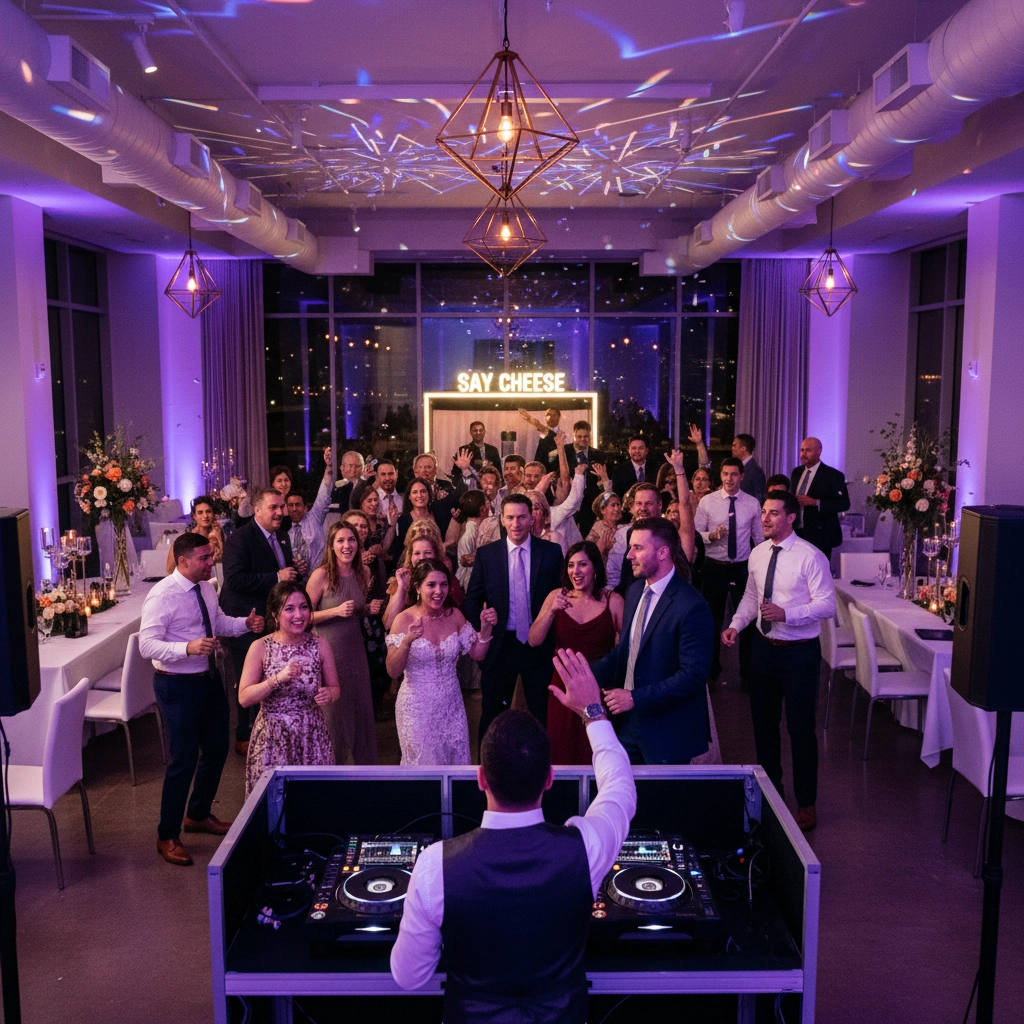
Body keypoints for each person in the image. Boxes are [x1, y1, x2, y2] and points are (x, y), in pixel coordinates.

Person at [391, 652, 636, 1024]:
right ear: (550, 779)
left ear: (480, 779)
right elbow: (620, 789)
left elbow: (409, 977)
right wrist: (593, 712)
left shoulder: (434, 866)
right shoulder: (585, 849)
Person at [140, 532, 263, 866]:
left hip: (208, 679)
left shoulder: (207, 587)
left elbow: (218, 622)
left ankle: (197, 813)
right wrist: (187, 648)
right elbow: (146, 646)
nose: (212, 562)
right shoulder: (162, 596)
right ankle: (167, 834)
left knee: (217, 749)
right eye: (205, 558)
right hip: (177, 685)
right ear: (183, 561)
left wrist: (245, 624)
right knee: (183, 759)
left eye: (211, 556)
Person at [723, 491, 836, 833]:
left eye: (773, 513)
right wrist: (735, 625)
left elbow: (827, 605)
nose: (766, 518)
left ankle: (806, 804)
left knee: (801, 731)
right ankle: (770, 796)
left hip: (799, 653)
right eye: (764, 513)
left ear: (790, 518)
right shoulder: (758, 553)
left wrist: (789, 614)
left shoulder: (810, 557)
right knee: (763, 727)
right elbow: (750, 596)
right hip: (763, 650)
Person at [591, 517, 714, 764]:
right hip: (627, 724)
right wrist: (585, 672)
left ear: (662, 552)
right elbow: (627, 650)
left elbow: (692, 676)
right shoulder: (635, 591)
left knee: (662, 802)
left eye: (638, 548)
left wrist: (635, 698)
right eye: (630, 547)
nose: (629, 556)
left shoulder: (691, 606)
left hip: (667, 731)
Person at [464, 494, 564, 737]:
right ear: (502, 519)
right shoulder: (487, 555)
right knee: (492, 716)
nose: (516, 523)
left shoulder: (551, 552)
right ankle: (487, 771)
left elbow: (562, 593)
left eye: (521, 517)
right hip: (501, 645)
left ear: (532, 518)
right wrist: (483, 618)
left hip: (538, 646)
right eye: (510, 517)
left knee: (544, 714)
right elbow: (471, 599)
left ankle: (546, 771)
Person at [385, 559, 497, 765]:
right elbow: (393, 671)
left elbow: (477, 653)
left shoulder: (454, 615)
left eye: (443, 584)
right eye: (431, 585)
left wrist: (486, 628)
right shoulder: (403, 620)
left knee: (454, 765)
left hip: (451, 705)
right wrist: (408, 641)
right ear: (417, 587)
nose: (439, 591)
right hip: (416, 708)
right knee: (424, 770)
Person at [238, 581, 339, 796]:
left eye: (303, 607)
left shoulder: (320, 645)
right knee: (275, 804)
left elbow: (335, 688)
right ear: (274, 615)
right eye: (289, 609)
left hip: (311, 733)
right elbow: (244, 698)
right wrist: (276, 679)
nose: (298, 615)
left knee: (312, 799)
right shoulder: (260, 647)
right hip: (273, 736)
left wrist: (329, 693)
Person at [529, 541, 624, 764]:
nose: (575, 571)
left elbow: (629, 647)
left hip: (599, 690)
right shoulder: (557, 596)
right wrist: (551, 612)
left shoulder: (613, 601)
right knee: (562, 752)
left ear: (595, 569)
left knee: (596, 754)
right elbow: (534, 640)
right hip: (563, 689)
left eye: (582, 564)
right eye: (571, 565)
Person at [220, 487, 297, 755]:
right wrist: (277, 576)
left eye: (282, 507)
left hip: (272, 621)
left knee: (269, 678)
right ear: (257, 510)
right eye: (274, 508)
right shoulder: (240, 539)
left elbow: (282, 574)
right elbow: (235, 580)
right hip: (246, 620)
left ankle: (268, 732)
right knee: (248, 681)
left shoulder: (282, 536)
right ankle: (244, 737)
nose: (280, 512)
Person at [306, 521, 377, 765]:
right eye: (341, 541)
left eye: (352, 540)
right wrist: (334, 611)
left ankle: (365, 775)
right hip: (329, 653)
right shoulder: (322, 575)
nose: (347, 545)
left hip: (355, 653)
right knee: (333, 715)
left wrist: (367, 609)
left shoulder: (364, 573)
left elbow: (354, 611)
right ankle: (331, 772)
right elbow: (301, 618)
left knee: (360, 712)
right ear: (332, 546)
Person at [695, 456, 764, 681]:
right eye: (725, 474)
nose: (729, 479)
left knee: (747, 621)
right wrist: (711, 536)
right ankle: (712, 673)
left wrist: (762, 567)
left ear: (742, 476)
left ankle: (748, 675)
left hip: (742, 568)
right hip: (713, 567)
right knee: (711, 621)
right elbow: (696, 535)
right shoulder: (708, 502)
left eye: (734, 474)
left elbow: (759, 538)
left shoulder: (752, 503)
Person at [340, 509, 390, 718]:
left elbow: (381, 589)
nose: (359, 529)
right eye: (354, 526)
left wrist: (378, 603)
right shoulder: (340, 560)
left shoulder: (375, 559)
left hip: (373, 622)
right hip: (348, 621)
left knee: (376, 668)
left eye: (362, 526)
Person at [789, 437, 851, 561]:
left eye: (808, 450)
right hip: (797, 533)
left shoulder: (833, 475)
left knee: (818, 573)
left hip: (820, 535)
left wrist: (816, 502)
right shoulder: (796, 473)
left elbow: (844, 504)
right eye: (801, 450)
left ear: (819, 451)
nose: (803, 454)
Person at [285, 446, 334, 574]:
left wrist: (329, 467)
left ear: (305, 507)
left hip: (319, 577)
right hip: (293, 581)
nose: (294, 509)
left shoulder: (314, 518)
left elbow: (325, 491)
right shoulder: (281, 527)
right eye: (290, 505)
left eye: (298, 504)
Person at [564, 420, 608, 536]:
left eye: (586, 436)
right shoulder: (564, 452)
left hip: (590, 502)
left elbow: (603, 479)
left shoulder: (599, 454)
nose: (583, 439)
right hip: (568, 500)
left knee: (588, 534)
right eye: (579, 436)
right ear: (574, 435)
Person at [164, 494, 225, 574]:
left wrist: (219, 541)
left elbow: (225, 560)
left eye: (208, 511)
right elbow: (169, 569)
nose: (205, 516)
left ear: (213, 514)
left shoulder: (218, 533)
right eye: (200, 513)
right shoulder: (186, 538)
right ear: (194, 516)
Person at [390, 477, 436, 560]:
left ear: (429, 494)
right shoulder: (403, 520)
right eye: (415, 492)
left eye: (423, 491)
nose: (419, 495)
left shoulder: (438, 514)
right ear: (409, 497)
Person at [455, 488, 488, 590]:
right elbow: (467, 570)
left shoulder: (478, 529)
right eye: (487, 503)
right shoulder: (469, 534)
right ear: (483, 509)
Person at [586, 491, 622, 568]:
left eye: (618, 505)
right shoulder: (599, 527)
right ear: (603, 510)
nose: (617, 509)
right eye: (613, 505)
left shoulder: (619, 528)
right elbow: (588, 554)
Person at [527, 488, 567, 554]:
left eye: (536, 508)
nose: (531, 513)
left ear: (545, 514)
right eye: (527, 509)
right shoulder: (520, 539)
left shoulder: (553, 539)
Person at [732, 433, 767, 505]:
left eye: (734, 445)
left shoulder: (755, 471)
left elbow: (759, 498)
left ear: (743, 448)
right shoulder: (739, 467)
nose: (732, 448)